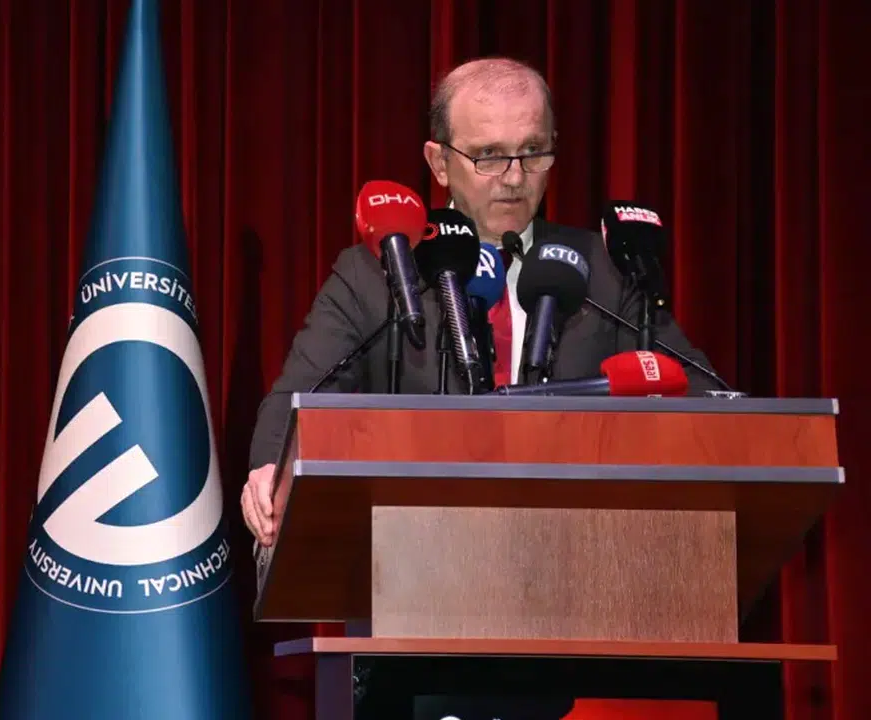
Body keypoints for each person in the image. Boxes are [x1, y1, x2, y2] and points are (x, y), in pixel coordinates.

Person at [240, 57, 716, 548]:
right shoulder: (376, 272)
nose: (514, 178)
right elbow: (297, 400)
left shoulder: (604, 268)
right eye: (489, 155)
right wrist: (273, 470)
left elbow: (697, 393)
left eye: (532, 152)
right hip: (417, 552)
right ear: (439, 163)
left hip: (582, 548)